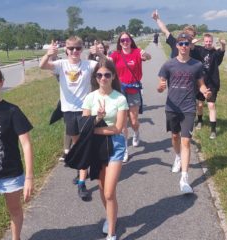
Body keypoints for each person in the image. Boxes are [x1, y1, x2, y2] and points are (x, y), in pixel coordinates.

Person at [40, 36, 102, 200]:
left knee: (83, 143)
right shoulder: (61, 65)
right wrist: (48, 54)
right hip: (68, 111)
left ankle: (82, 184)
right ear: (66, 50)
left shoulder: (88, 65)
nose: (75, 51)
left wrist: (100, 54)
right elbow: (42, 65)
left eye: (78, 48)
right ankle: (82, 167)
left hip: (85, 110)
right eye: (71, 48)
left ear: (82, 50)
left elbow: (108, 66)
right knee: (76, 143)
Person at [157, 33, 211, 193]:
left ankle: (184, 178)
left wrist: (205, 92)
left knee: (186, 141)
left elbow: (201, 84)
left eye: (186, 43)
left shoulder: (197, 65)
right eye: (181, 44)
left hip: (188, 107)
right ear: (177, 46)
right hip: (172, 107)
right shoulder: (168, 65)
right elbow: (160, 85)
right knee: (175, 137)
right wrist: (160, 88)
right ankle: (178, 156)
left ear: (190, 45)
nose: (184, 46)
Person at [82, 60, 128, 240]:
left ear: (113, 76)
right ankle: (110, 217)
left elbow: (117, 128)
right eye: (99, 75)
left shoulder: (120, 98)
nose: (103, 78)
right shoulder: (90, 98)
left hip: (115, 145)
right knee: (101, 188)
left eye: (107, 75)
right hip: (96, 147)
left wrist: (95, 129)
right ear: (95, 77)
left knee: (109, 191)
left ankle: (112, 233)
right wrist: (96, 118)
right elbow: (84, 125)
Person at [0, 65, 34, 240]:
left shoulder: (12, 111)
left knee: (14, 209)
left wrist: (29, 178)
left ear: (1, 83)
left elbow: (26, 144)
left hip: (9, 173)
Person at [109, 31, 151, 162]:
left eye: (127, 40)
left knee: (133, 121)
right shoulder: (116, 54)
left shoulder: (137, 52)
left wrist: (146, 54)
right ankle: (125, 149)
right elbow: (107, 63)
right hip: (120, 90)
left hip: (133, 89)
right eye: (122, 40)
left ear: (131, 41)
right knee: (122, 123)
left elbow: (148, 57)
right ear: (119, 42)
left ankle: (136, 133)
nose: (125, 42)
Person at [194, 33, 226, 139]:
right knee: (199, 104)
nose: (208, 43)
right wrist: (193, 42)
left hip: (212, 83)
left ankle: (213, 130)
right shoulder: (199, 50)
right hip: (200, 81)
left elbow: (221, 51)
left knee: (211, 105)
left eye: (209, 41)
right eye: (206, 41)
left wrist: (223, 45)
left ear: (212, 41)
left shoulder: (215, 53)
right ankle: (199, 120)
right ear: (204, 41)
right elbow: (190, 48)